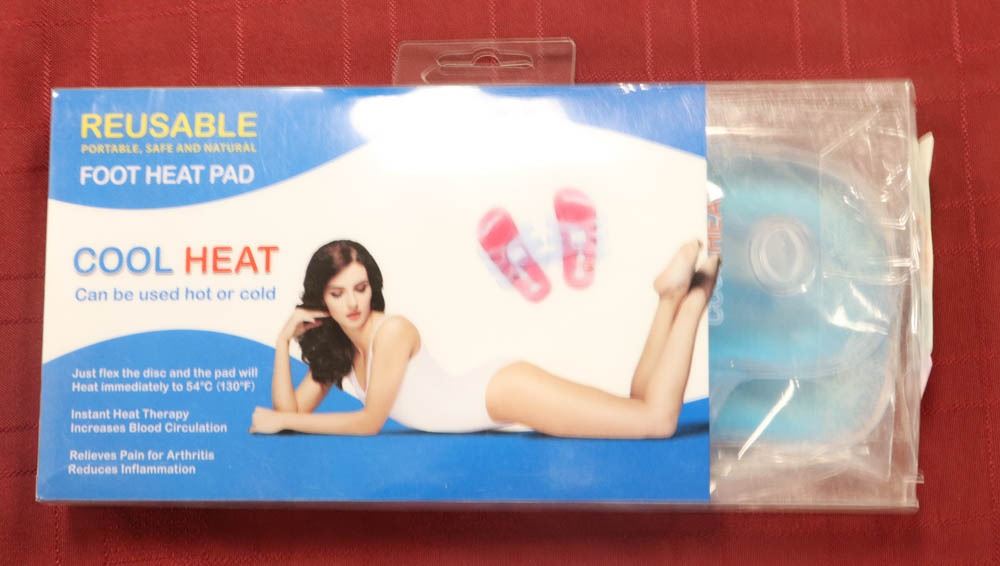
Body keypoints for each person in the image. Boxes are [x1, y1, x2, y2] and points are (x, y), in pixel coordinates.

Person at [250, 239, 719, 438]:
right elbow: (291, 415)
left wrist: (278, 420)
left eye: (360, 288)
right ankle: (667, 298)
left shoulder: (390, 332)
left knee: (656, 422)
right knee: (638, 406)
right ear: (321, 300)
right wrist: (282, 343)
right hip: (497, 393)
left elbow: (370, 422)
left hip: (504, 393)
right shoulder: (341, 352)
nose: (353, 303)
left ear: (373, 286)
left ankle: (697, 294)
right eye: (337, 294)